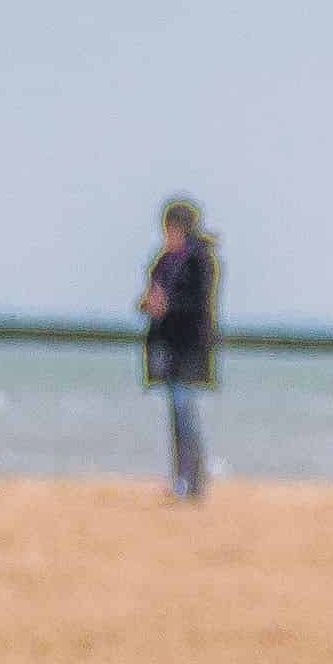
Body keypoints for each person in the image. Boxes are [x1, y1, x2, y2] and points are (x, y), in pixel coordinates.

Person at [141, 199, 220, 500]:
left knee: (185, 411)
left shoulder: (200, 261)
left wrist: (168, 305)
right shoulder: (163, 261)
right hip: (167, 346)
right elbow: (150, 295)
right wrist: (150, 304)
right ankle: (182, 478)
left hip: (190, 347)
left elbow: (201, 304)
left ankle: (193, 480)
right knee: (177, 413)